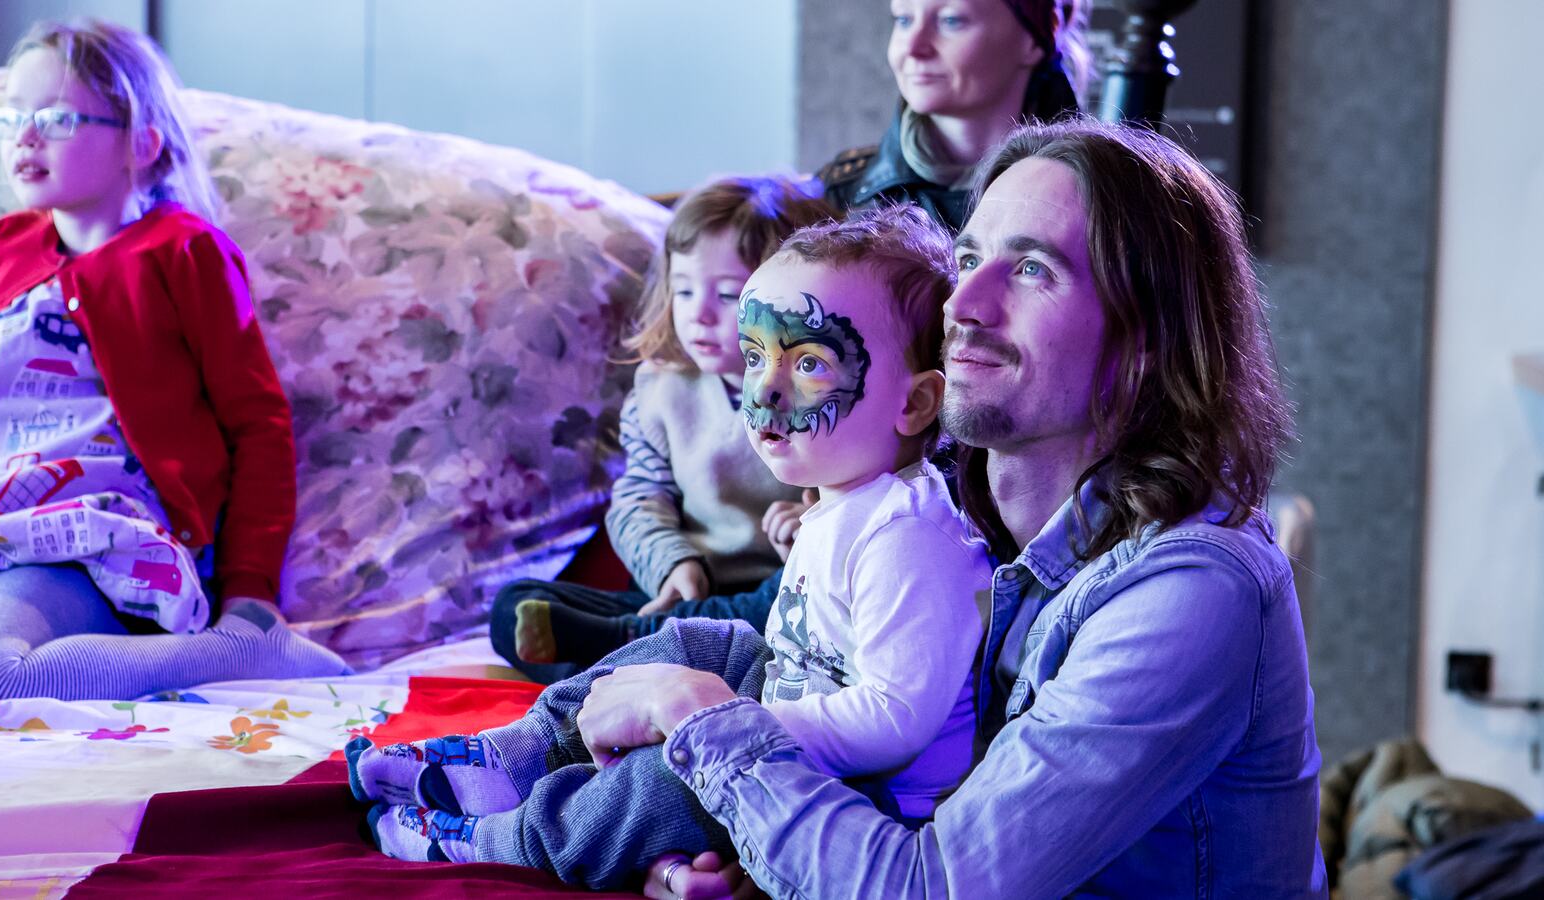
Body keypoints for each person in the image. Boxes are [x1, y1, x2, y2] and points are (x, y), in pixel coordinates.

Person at [577, 118, 1329, 898]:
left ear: (1147, 339)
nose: (962, 303)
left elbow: (931, 886)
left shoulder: (1191, 593)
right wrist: (751, 853)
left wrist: (698, 718)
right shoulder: (942, 506)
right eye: (968, 259)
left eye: (1031, 269)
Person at [347, 204, 994, 890]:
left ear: (915, 405)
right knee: (702, 644)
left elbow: (895, 719)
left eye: (808, 362)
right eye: (755, 357)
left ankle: (501, 838)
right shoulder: (845, 500)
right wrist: (712, 703)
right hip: (795, 718)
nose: (765, 388)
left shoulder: (908, 537)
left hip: (866, 793)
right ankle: (515, 758)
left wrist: (712, 725)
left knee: (665, 776)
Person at [0, 19, 347, 702]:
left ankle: (242, 653)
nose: (24, 136)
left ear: (141, 142)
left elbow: (257, 425)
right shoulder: (4, 247)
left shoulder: (183, 253)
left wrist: (249, 594)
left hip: (91, 540)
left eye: (56, 118)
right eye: (12, 117)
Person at [489, 177, 832, 683]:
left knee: (789, 602)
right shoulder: (662, 387)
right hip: (687, 589)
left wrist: (813, 527)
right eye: (685, 290)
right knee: (514, 606)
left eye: (728, 294)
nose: (699, 314)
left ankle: (633, 649)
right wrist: (672, 564)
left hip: (776, 592)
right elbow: (639, 496)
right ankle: (651, 650)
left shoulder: (822, 393)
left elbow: (858, 495)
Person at [819, 0, 1091, 232]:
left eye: (951, 21)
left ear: (1037, 38)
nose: (913, 47)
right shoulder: (837, 197)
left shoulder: (1097, 200)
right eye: (904, 20)